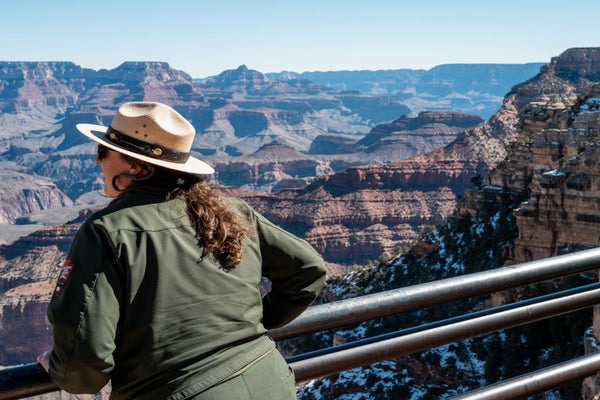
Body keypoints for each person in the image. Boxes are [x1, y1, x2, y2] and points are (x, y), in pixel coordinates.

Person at [36, 101, 327, 399]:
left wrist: (61, 369)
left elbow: (85, 366)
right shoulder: (231, 211)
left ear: (136, 167)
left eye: (103, 153)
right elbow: (308, 272)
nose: (97, 162)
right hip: (270, 381)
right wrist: (248, 326)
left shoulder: (107, 229)